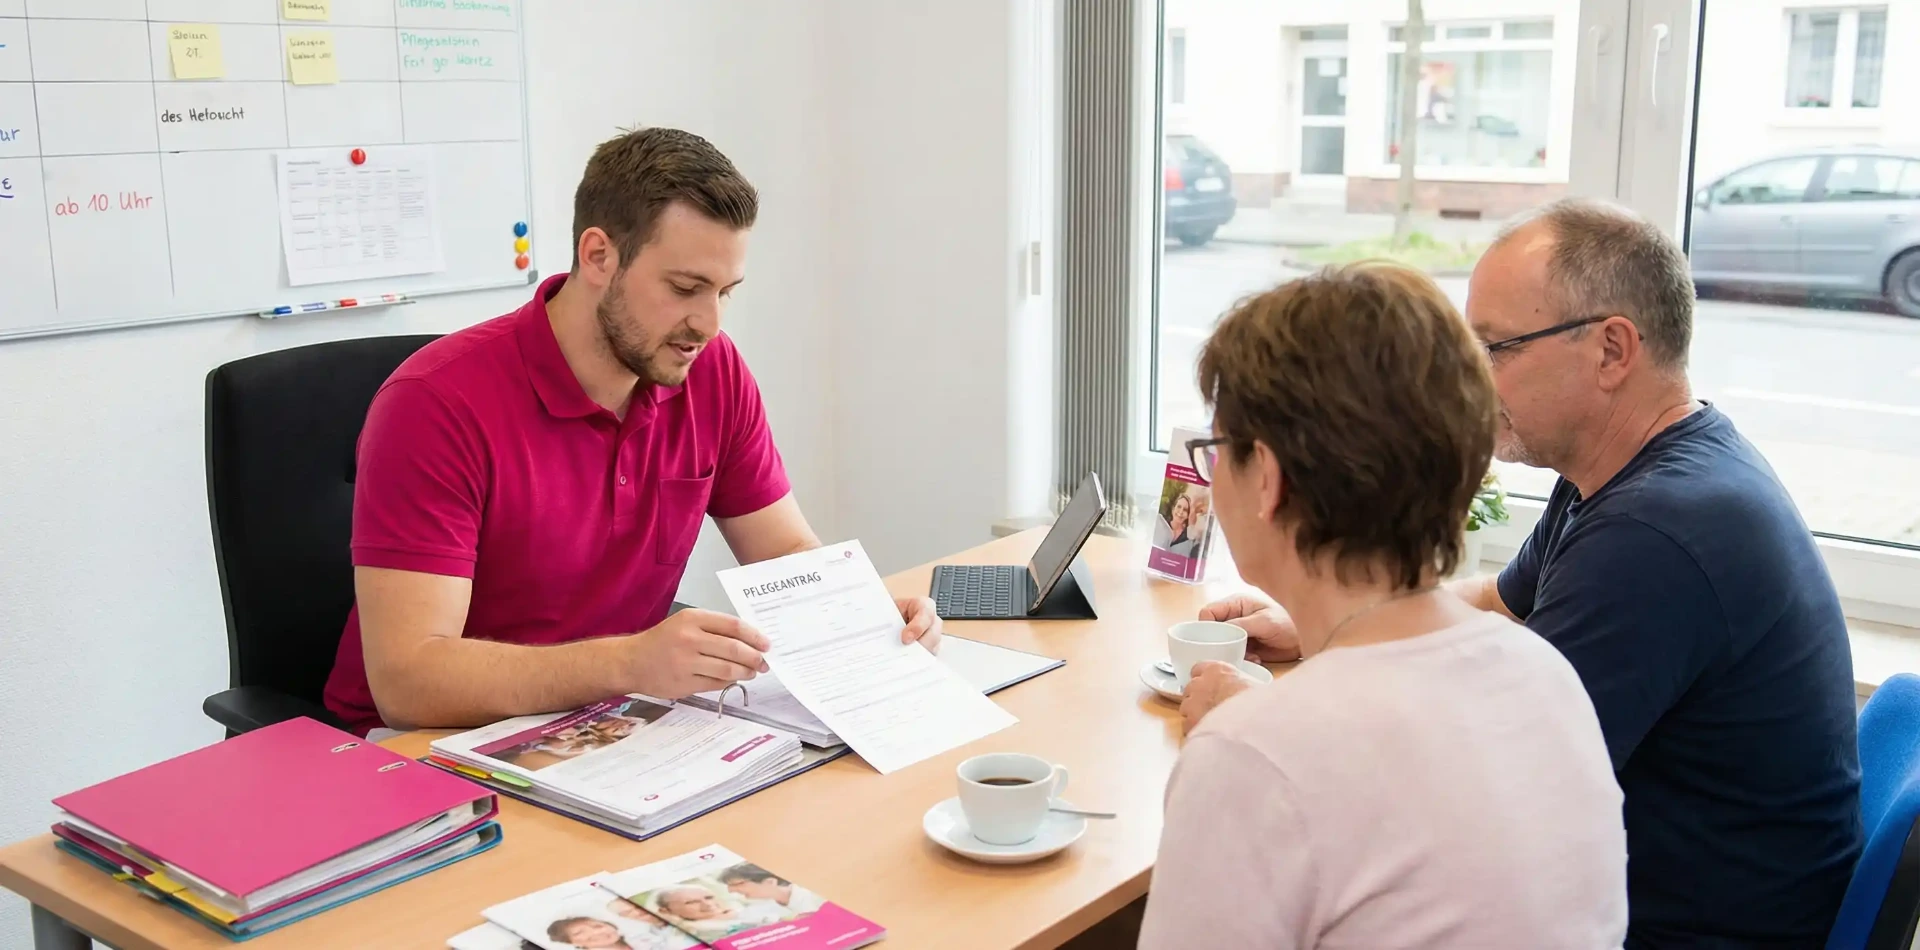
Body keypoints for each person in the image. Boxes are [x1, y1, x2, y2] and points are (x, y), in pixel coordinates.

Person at [1185, 198, 1862, 947]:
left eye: (1495, 349)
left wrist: (1256, 734)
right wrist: (1327, 633)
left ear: (1611, 351)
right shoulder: (1626, 476)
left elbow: (1475, 786)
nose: (1470, 386)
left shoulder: (1655, 534)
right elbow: (1494, 605)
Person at [322, 127, 941, 734]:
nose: (708, 322)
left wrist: (858, 612)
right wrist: (629, 662)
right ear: (598, 256)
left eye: (726, 291)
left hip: (611, 721)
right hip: (428, 750)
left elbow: (784, 553)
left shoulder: (710, 370)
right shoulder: (435, 405)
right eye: (685, 288)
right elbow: (407, 681)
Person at [1137, 262, 1626, 948]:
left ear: (1267, 479)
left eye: (1219, 452)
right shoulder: (1548, 676)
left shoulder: (1253, 758)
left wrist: (1248, 730)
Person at [719, 864, 824, 919]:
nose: (731, 890)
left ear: (770, 882)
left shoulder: (816, 896)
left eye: (738, 884)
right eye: (729, 886)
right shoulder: (763, 910)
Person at [545, 917, 633, 950]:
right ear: (572, 942)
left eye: (597, 926)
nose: (597, 932)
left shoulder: (639, 939)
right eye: (579, 933)